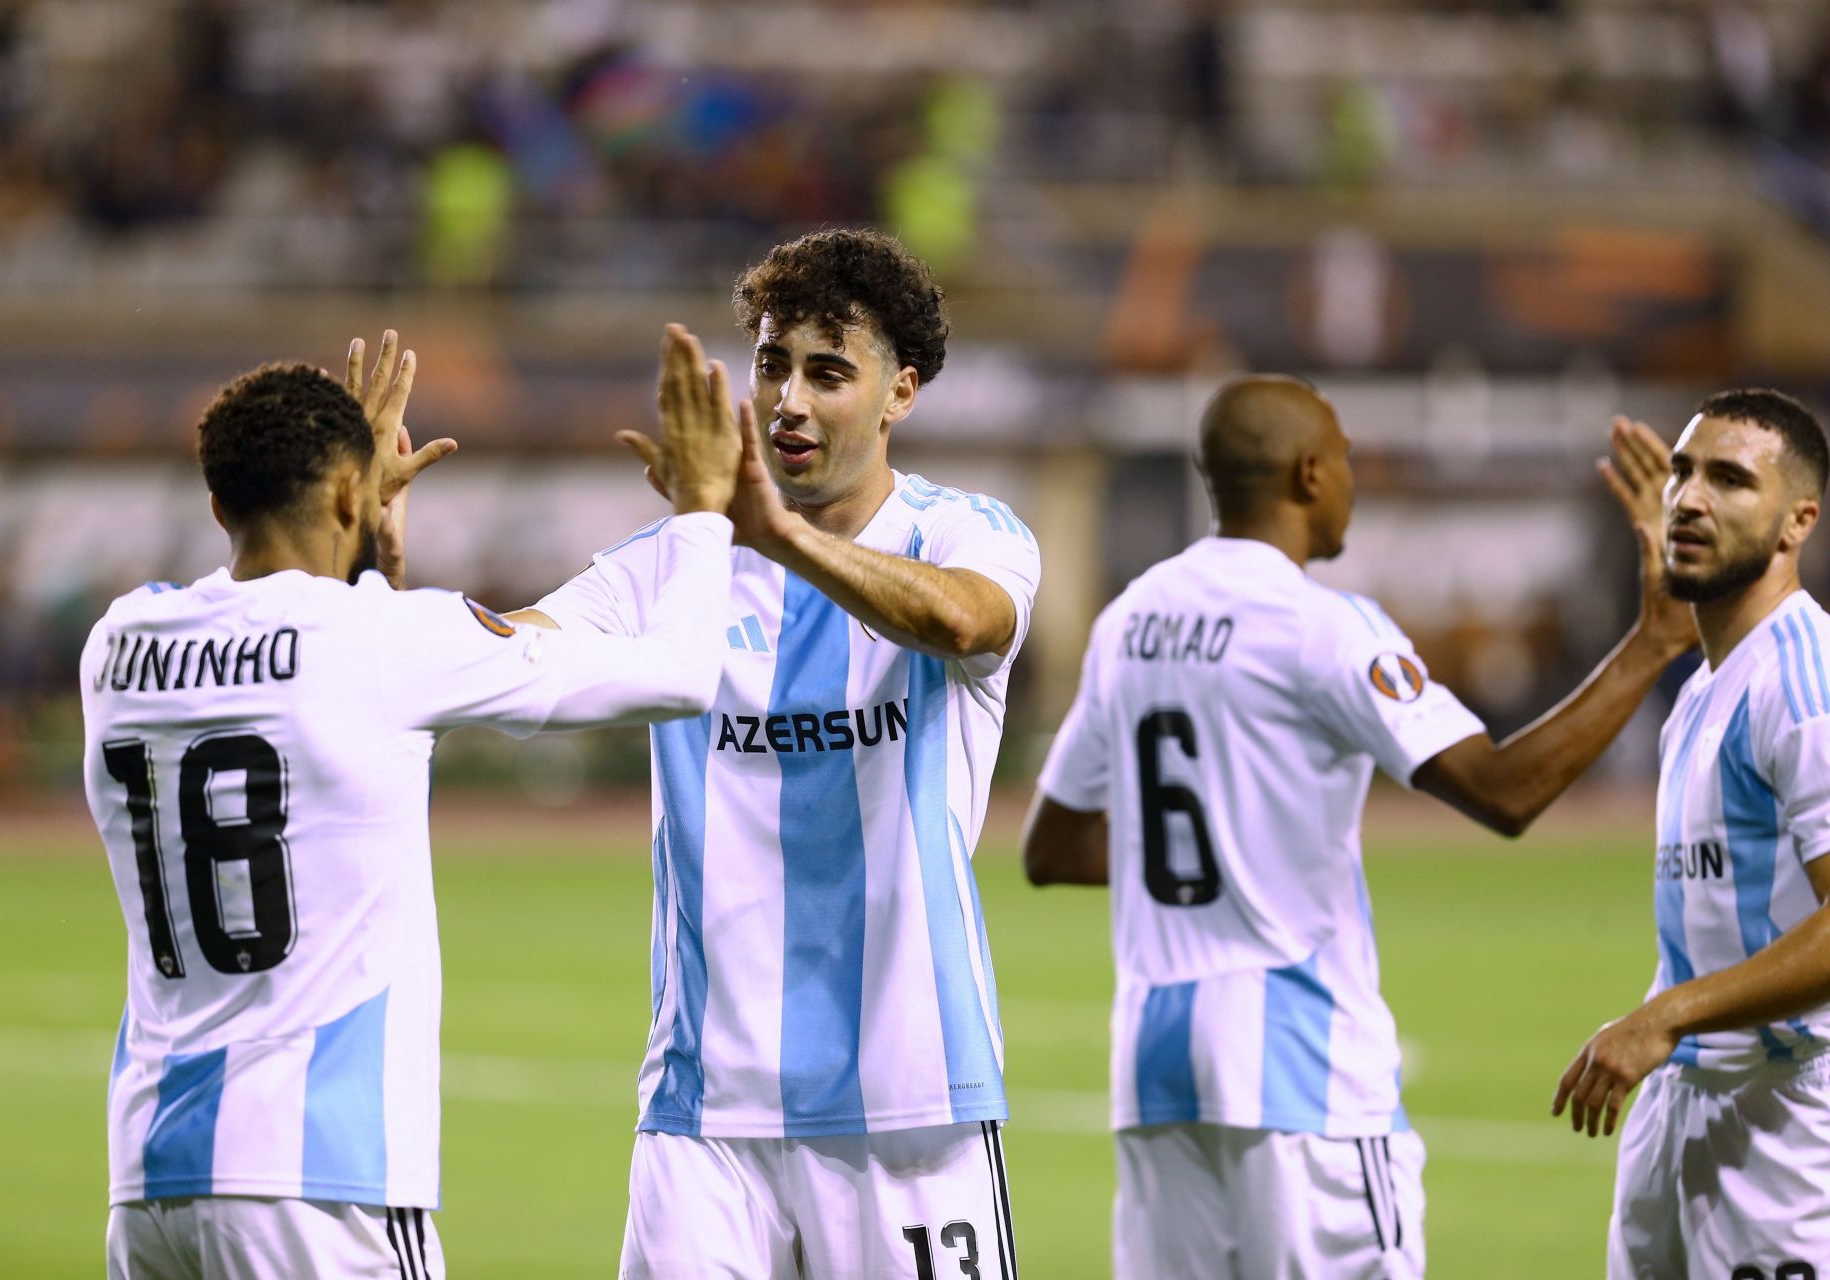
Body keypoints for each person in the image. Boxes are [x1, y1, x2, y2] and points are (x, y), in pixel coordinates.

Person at [84, 329, 742, 1279]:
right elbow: (680, 676)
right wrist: (702, 511)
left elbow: (298, 670)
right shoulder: (391, 639)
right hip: (324, 1184)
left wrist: (360, 552)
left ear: (220, 501)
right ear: (352, 493)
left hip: (149, 1183)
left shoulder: (119, 644)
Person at [1021, 375, 1695, 1280]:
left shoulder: (1131, 618)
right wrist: (1652, 644)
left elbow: (1052, 847)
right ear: (1307, 473)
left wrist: (1223, 848)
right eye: (1345, 461)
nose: (1353, 484)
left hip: (1154, 1065)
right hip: (1301, 1066)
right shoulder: (1323, 627)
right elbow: (1504, 791)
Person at [510, 230, 1039, 1279]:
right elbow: (515, 652)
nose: (787, 399)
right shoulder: (672, 567)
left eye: (828, 371)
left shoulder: (965, 533)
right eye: (770, 365)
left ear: (902, 393)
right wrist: (369, 584)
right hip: (706, 1111)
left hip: (911, 1099)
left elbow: (969, 624)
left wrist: (775, 536)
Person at [1553, 390, 1830, 1280]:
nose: (1689, 498)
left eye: (1729, 479)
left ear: (1798, 523)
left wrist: (1667, 1016)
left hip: (1784, 1130)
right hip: (1684, 1109)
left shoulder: (1805, 681)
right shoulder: (1707, 691)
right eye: (1681, 471)